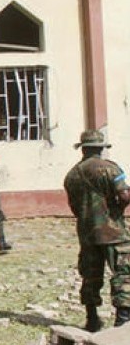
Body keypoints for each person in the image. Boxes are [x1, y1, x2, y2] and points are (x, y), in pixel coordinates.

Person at [64, 129, 130, 331]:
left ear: (83, 149)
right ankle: (123, 319)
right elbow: (125, 195)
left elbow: (74, 206)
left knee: (91, 275)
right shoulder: (111, 169)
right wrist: (118, 210)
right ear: (101, 148)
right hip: (113, 232)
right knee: (123, 273)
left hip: (87, 233)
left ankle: (92, 318)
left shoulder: (72, 175)